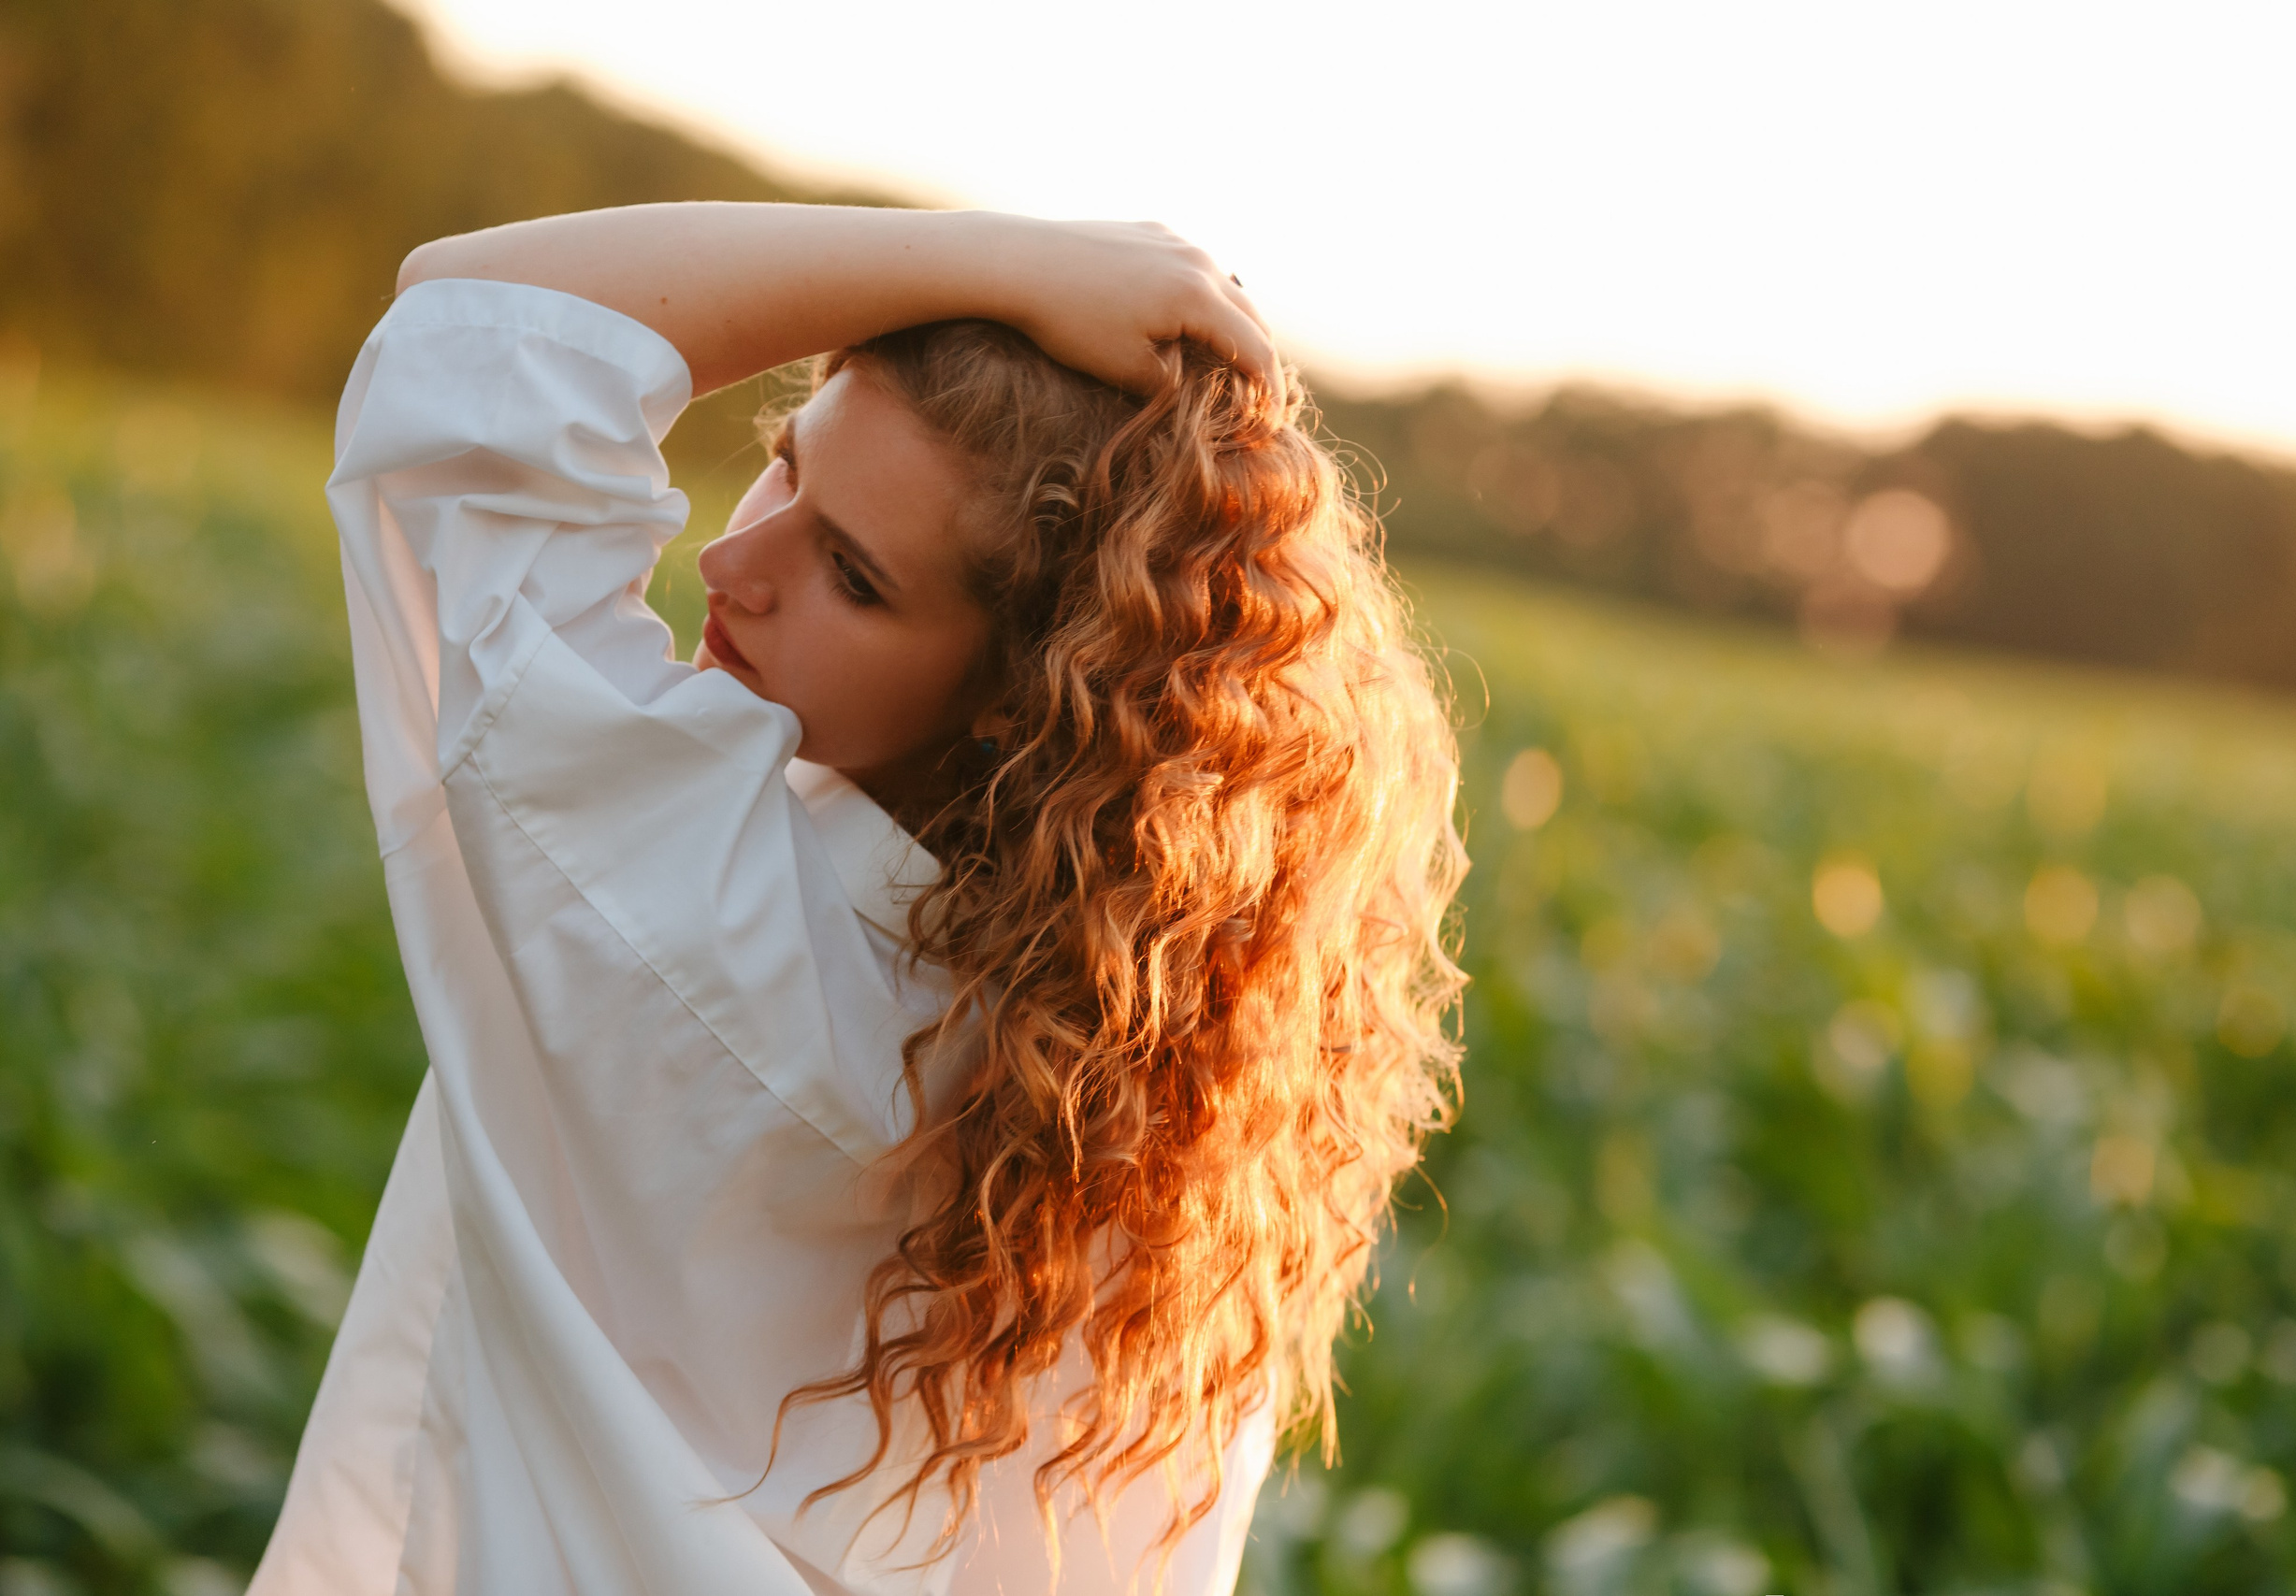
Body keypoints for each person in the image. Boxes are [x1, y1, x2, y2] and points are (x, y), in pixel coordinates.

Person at [251, 203, 1466, 1596]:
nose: (732, 566)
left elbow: (469, 325)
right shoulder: (1172, 1147)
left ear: (1025, 708)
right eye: (784, 468)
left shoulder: (711, 920)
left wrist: (994, 259)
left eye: (853, 575)